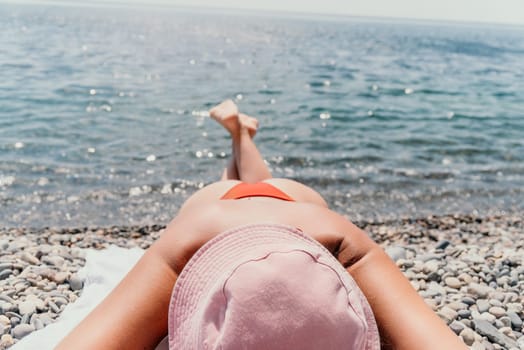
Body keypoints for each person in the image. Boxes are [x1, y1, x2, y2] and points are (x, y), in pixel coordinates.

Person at [57, 100, 467, 349]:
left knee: (234, 187)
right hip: (287, 218)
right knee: (244, 186)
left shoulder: (184, 251)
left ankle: (241, 133)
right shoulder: (342, 243)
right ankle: (242, 134)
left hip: (257, 217)